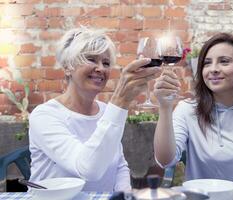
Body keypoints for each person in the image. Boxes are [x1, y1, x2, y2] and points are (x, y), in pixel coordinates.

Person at [28, 28, 161, 192]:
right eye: (91, 59)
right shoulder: (45, 116)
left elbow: (119, 165)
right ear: (67, 67)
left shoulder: (107, 112)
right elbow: (88, 169)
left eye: (106, 63)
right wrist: (120, 100)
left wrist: (124, 195)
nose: (101, 69)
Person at [153, 33, 233, 190]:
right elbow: (165, 160)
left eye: (224, 62)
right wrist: (165, 107)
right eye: (207, 63)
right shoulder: (188, 110)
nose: (213, 69)